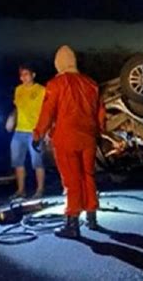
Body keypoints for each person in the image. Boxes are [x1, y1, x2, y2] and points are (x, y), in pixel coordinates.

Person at [32, 45, 105, 239]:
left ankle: (72, 223)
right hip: (88, 137)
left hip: (66, 138)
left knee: (72, 180)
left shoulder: (56, 84)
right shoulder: (91, 84)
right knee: (88, 175)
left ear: (59, 64)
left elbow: (47, 112)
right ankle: (92, 217)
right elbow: (100, 113)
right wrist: (99, 133)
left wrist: (38, 134)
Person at [7, 64, 46, 199]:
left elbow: (46, 110)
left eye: (26, 74)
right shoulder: (18, 90)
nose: (23, 77)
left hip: (35, 130)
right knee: (18, 162)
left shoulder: (41, 90)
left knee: (37, 162)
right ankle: (21, 190)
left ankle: (40, 190)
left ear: (33, 75)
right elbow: (17, 107)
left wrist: (45, 130)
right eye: (21, 75)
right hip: (19, 131)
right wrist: (11, 118)